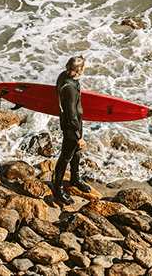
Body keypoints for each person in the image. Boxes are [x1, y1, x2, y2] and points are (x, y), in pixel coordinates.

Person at [53, 55, 91, 205]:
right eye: (83, 67)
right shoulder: (70, 89)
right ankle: (57, 188)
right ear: (79, 70)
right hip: (71, 127)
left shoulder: (63, 76)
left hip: (73, 124)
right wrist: (78, 136)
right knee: (65, 158)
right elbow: (71, 116)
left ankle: (75, 178)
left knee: (76, 152)